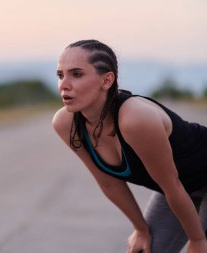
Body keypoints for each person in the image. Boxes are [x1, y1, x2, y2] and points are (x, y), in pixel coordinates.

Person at [52, 39, 207, 253]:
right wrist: (141, 229)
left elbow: (172, 185)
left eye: (76, 74)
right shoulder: (66, 123)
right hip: (180, 189)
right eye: (60, 75)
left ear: (107, 80)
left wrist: (197, 241)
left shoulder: (135, 119)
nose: (64, 84)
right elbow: (109, 184)